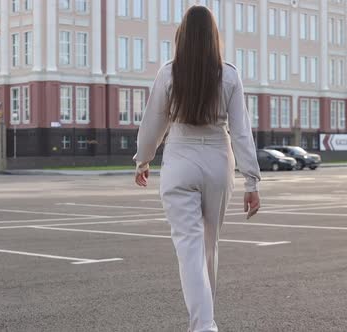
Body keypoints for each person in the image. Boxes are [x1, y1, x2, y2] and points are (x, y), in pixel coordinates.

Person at [133, 5, 261, 332]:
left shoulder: (168, 73)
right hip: (219, 159)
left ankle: (204, 325)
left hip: (179, 160)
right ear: (213, 38)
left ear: (182, 37)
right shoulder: (229, 74)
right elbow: (241, 130)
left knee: (189, 247)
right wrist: (251, 181)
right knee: (208, 247)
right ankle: (204, 323)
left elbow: (153, 123)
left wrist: (143, 159)